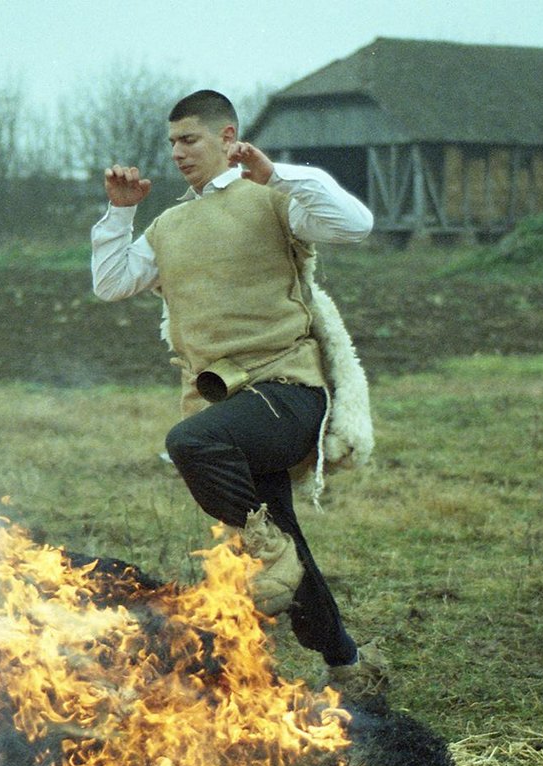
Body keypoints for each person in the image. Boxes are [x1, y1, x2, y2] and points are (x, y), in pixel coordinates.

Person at [89, 89, 386, 700]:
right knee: (283, 538)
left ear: (229, 138)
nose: (178, 152)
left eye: (189, 139)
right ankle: (348, 664)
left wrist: (278, 175)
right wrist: (120, 213)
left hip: (288, 393)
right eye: (172, 142)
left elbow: (357, 225)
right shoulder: (169, 225)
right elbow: (111, 283)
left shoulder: (271, 198)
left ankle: (267, 552)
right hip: (227, 405)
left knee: (191, 444)